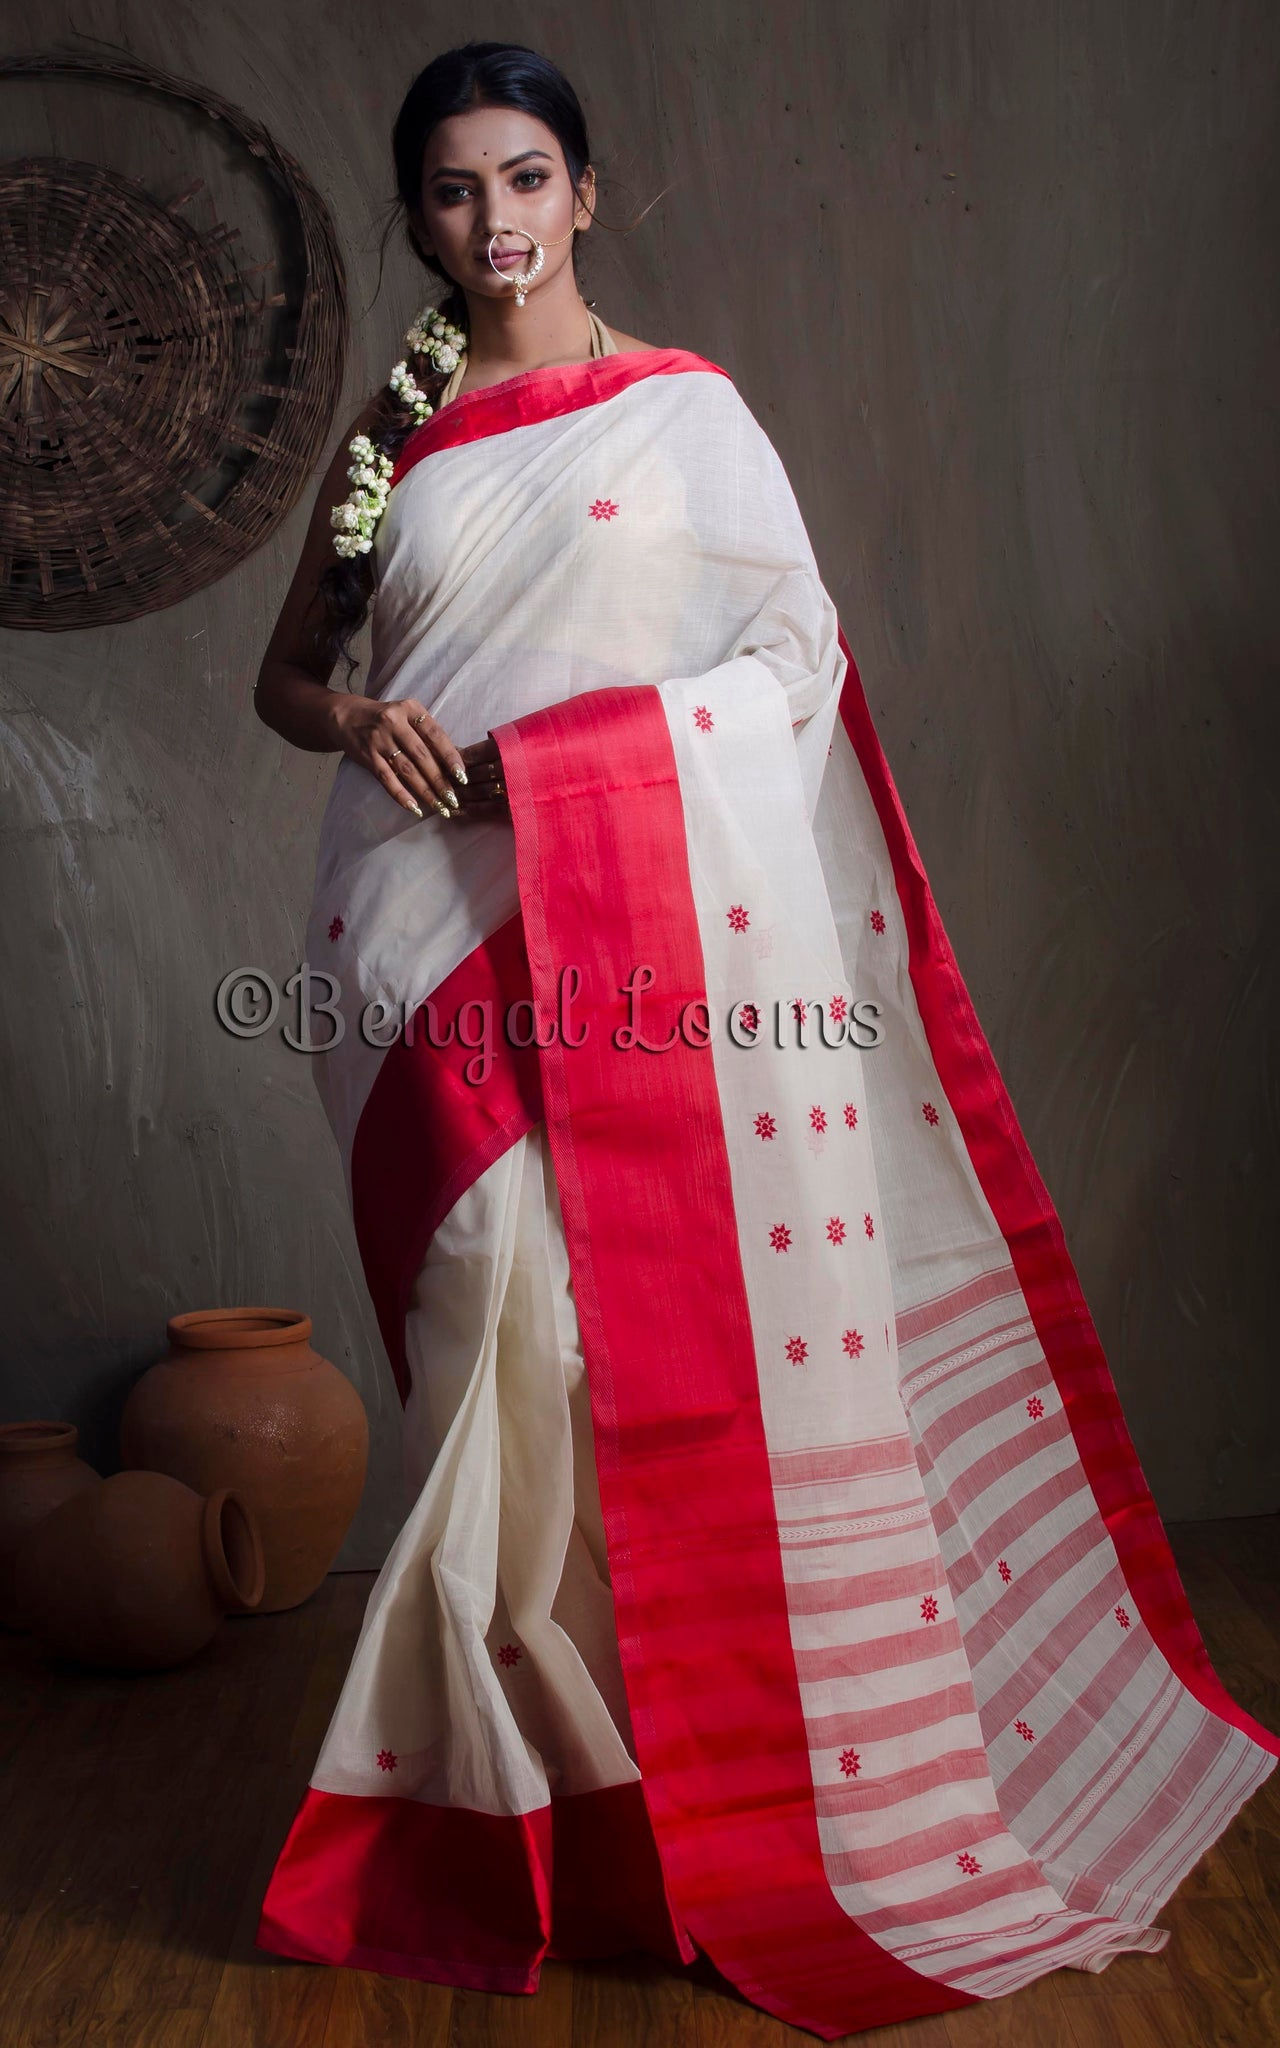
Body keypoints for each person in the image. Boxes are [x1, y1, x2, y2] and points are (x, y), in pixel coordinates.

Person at [251, 39, 1278, 2042]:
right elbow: (291, 674)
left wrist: (558, 765)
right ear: (416, 219)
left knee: (607, 1338)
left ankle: (637, 1792)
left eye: (524, 175)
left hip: (627, 921)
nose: (493, 220)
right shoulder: (391, 432)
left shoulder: (693, 417)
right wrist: (354, 721)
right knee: (505, 1329)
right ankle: (535, 1797)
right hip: (411, 942)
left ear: (588, 190)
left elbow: (788, 657)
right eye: (452, 191)